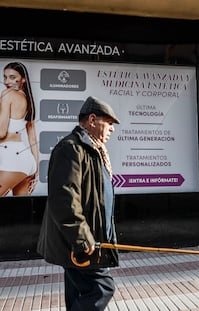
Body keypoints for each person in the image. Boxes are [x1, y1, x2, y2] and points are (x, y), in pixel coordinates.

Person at [37, 96, 121, 311]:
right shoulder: (72, 149)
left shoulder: (93, 151)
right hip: (81, 242)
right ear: (92, 120)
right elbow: (65, 199)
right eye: (109, 123)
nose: (112, 129)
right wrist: (83, 240)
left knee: (78, 295)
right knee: (102, 288)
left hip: (88, 240)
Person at [0, 62, 39, 196]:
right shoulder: (28, 100)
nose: (7, 81)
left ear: (23, 79)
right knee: (19, 213)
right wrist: (36, 169)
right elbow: (32, 137)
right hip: (25, 161)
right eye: (5, 77)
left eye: (12, 77)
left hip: (12, 159)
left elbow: (1, 132)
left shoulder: (7, 95)